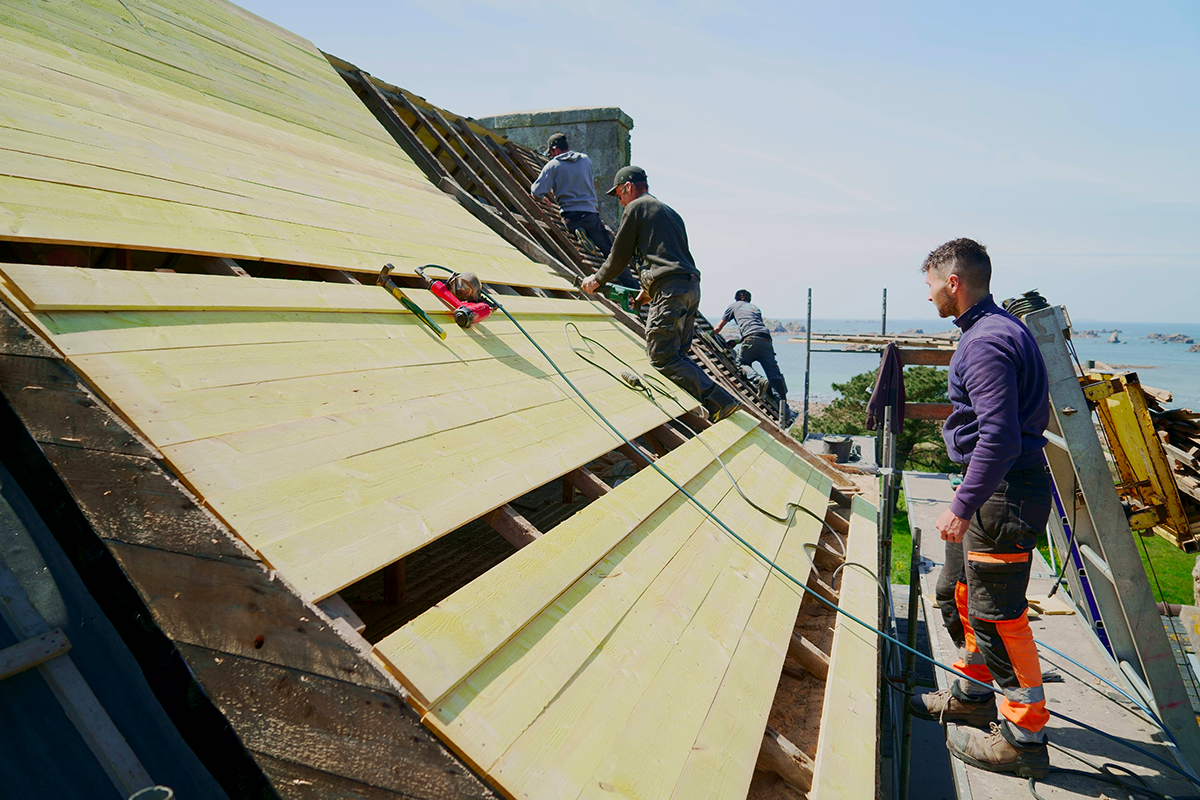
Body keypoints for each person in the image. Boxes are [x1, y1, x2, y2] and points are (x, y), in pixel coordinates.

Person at [907, 238, 1052, 779]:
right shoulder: (992, 330)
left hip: (1002, 494)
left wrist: (964, 503)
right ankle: (971, 695)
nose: (928, 299)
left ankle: (1024, 739)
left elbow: (998, 435)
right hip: (991, 489)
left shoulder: (986, 342)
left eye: (929, 286)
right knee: (957, 595)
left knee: (997, 618)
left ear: (953, 282)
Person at [581, 166, 739, 422]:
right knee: (678, 355)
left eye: (619, 194)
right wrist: (646, 293)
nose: (620, 201)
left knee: (662, 356)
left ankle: (721, 402)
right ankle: (696, 412)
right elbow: (666, 258)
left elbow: (618, 256)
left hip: (671, 289)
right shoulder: (669, 212)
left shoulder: (636, 208)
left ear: (629, 187)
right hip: (689, 288)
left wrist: (596, 280)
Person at [712, 289, 792, 422]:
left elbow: (718, 328)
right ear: (749, 299)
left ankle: (758, 379)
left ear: (736, 298)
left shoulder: (733, 306)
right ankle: (786, 413)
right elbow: (756, 331)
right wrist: (737, 341)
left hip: (749, 339)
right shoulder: (755, 308)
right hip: (766, 339)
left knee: (742, 364)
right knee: (774, 375)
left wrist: (708, 335)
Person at [530, 133, 614, 257]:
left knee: (574, 223)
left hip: (570, 218)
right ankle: (625, 275)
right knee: (609, 250)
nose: (551, 156)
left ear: (554, 149)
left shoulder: (553, 165)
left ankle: (578, 231)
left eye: (550, 154)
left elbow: (536, 192)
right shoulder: (585, 159)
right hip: (591, 215)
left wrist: (542, 199)